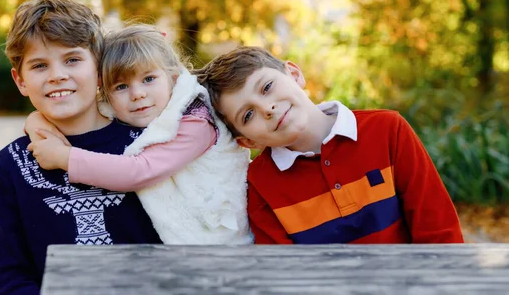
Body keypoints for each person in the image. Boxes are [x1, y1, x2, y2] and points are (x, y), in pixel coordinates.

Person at [193, 46, 464, 244]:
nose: (268, 108)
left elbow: (439, 233)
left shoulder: (387, 130)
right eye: (248, 115)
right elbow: (282, 275)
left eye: (266, 88)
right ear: (247, 141)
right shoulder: (259, 184)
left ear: (295, 74)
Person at [0, 0, 162, 295]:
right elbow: (10, 274)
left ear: (99, 69)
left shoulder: (149, 146)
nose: (57, 75)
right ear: (21, 81)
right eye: (40, 65)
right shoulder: (10, 165)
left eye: (72, 59)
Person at [26, 25, 252, 245]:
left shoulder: (196, 122)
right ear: (104, 91)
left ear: (173, 78)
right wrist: (35, 122)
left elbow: (140, 170)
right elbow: (82, 112)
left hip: (225, 244)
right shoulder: (141, 108)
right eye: (121, 87)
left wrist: (65, 158)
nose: (137, 94)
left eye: (148, 79)